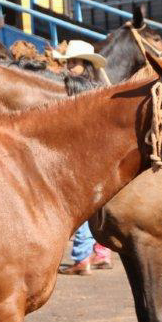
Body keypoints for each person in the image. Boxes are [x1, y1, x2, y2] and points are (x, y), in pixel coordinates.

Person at [52, 41, 113, 275]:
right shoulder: (98, 87)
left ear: (85, 64)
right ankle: (102, 253)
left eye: (74, 62)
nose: (69, 66)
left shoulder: (74, 87)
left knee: (82, 210)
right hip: (99, 152)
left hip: (82, 154)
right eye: (68, 62)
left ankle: (81, 257)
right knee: (98, 208)